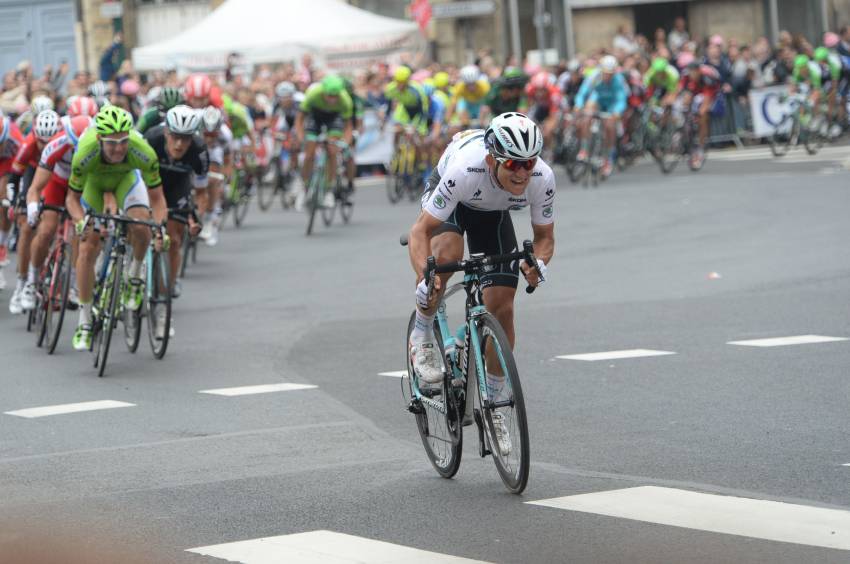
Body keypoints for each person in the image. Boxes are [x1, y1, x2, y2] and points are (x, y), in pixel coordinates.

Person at [407, 112, 554, 450]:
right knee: (444, 259)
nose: (521, 173)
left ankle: (497, 407)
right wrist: (424, 276)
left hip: (492, 209)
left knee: (502, 306)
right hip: (457, 200)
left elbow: (545, 237)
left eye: (528, 163)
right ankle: (423, 332)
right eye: (513, 164)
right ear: (492, 159)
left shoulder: (542, 178)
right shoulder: (466, 169)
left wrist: (539, 264)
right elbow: (421, 231)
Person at [65, 106, 167, 351]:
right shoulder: (85, 153)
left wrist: (160, 228)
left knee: (142, 225)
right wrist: (82, 222)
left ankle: (133, 276)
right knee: (88, 246)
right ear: (100, 138)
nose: (120, 148)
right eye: (112, 143)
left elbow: (157, 199)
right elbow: (71, 199)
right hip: (94, 185)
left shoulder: (143, 152)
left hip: (126, 181)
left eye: (123, 141)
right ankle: (85, 320)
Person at [144, 105, 208, 322]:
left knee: (173, 236)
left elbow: (200, 192)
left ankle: (164, 292)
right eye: (175, 137)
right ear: (165, 133)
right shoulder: (150, 140)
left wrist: (197, 216)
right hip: (148, 183)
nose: (180, 144)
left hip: (177, 187)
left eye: (186, 138)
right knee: (139, 225)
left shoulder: (199, 152)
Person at [7, 109, 60, 314]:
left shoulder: (63, 145)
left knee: (51, 222)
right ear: (35, 136)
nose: (46, 147)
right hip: (32, 174)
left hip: (56, 174)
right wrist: (17, 202)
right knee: (28, 228)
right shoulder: (27, 145)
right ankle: (22, 285)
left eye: (50, 142)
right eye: (42, 143)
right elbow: (15, 178)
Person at [294, 74, 353, 209]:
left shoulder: (345, 100)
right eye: (329, 96)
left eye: (335, 96)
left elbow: (348, 126)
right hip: (316, 116)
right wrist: (301, 136)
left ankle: (328, 190)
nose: (332, 99)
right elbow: (299, 119)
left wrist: (345, 142)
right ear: (323, 91)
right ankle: (305, 187)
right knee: (309, 153)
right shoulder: (313, 94)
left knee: (332, 151)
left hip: (334, 119)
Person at [573, 55, 628, 177]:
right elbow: (583, 93)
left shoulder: (618, 80)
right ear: (601, 70)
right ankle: (584, 149)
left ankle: (608, 158)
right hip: (597, 100)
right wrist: (578, 105)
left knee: (610, 125)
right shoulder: (594, 76)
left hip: (611, 104)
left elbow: (621, 99)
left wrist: (617, 112)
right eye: (605, 73)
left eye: (610, 74)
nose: (608, 76)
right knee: (587, 113)